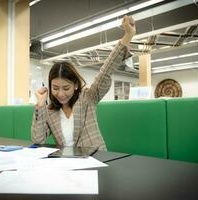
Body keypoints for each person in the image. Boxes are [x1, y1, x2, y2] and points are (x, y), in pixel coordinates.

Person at [31, 15, 136, 150]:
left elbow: (106, 71)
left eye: (66, 88)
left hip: (95, 158)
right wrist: (40, 104)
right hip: (66, 163)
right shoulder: (50, 110)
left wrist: (128, 35)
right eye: (55, 88)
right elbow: (38, 140)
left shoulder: (88, 97)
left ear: (75, 85)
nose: (61, 94)